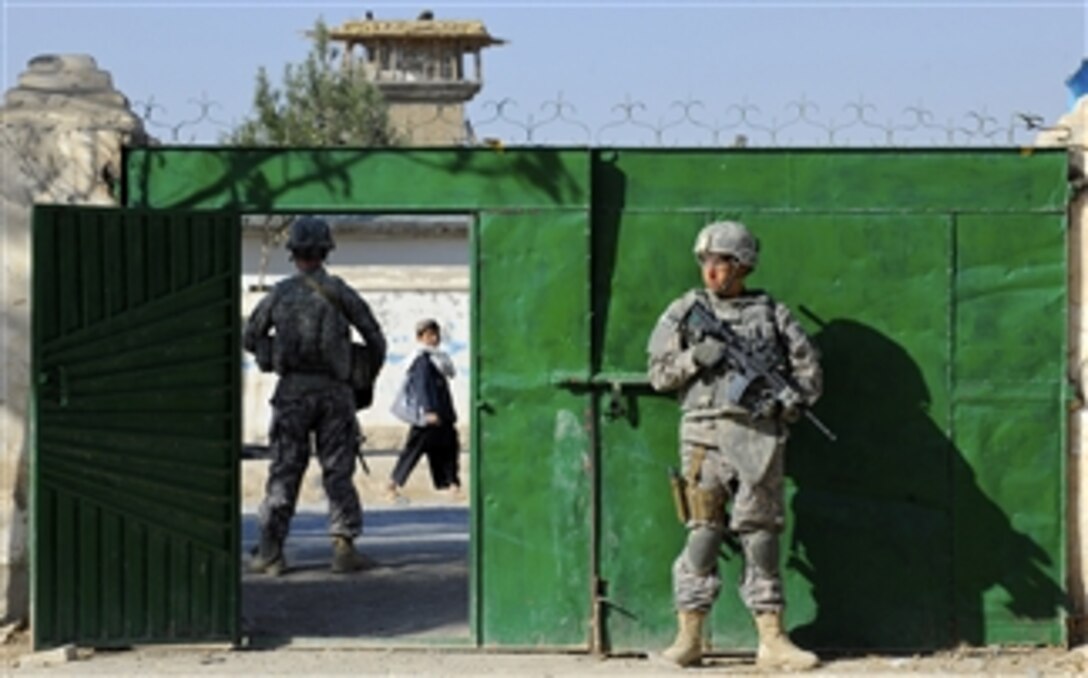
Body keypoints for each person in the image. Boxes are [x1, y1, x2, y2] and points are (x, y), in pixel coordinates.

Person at [646, 220, 822, 671]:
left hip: (758, 438)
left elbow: (808, 374)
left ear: (742, 265)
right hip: (703, 435)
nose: (711, 270)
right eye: (705, 261)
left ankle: (772, 640)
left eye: (721, 262)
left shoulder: (772, 313)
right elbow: (659, 374)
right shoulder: (685, 311)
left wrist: (788, 402)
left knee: (760, 534)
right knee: (704, 533)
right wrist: (693, 359)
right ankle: (689, 638)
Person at [243, 216, 387, 576]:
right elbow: (376, 339)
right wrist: (362, 375)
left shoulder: (279, 294)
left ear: (293, 254)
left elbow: (249, 336)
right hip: (336, 395)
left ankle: (272, 551)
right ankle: (343, 548)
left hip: (292, 393)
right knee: (338, 472)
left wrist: (270, 353)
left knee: (284, 471)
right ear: (325, 251)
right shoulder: (340, 291)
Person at [385, 319, 461, 502]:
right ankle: (391, 486)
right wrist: (428, 411)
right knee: (413, 452)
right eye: (429, 335)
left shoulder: (439, 358)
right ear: (420, 338)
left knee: (449, 449)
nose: (433, 339)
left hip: (442, 414)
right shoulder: (422, 360)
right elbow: (422, 387)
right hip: (428, 416)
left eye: (436, 335)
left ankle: (453, 486)